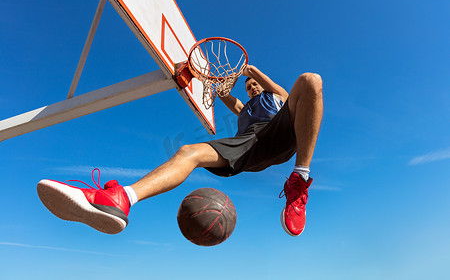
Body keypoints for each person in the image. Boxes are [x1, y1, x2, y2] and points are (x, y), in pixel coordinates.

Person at [37, 65, 323, 237]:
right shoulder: (243, 110)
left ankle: (299, 179)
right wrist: (226, 78)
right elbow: (225, 95)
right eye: (248, 86)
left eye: (254, 86)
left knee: (310, 80)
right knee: (189, 151)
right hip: (250, 145)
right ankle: (122, 198)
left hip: (281, 131)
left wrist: (253, 72)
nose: (251, 88)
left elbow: (287, 93)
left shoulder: (276, 97)